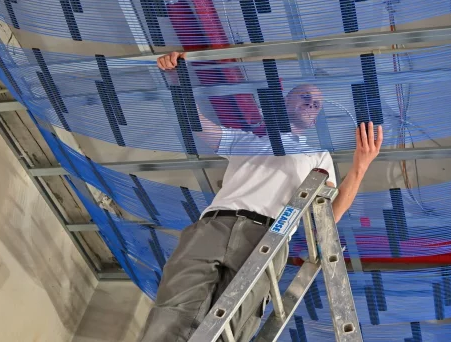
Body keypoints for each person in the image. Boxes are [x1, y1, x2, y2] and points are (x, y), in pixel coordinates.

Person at [139, 52, 383, 342]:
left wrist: (360, 167)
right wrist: (176, 80)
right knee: (173, 309)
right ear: (285, 101)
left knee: (233, 324)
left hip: (268, 237)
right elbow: (195, 123)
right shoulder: (245, 140)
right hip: (214, 226)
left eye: (317, 104)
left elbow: (329, 216)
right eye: (304, 96)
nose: (311, 104)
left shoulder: (317, 156)